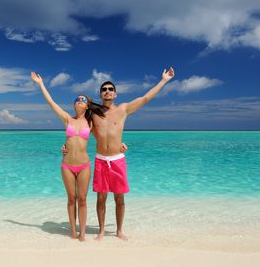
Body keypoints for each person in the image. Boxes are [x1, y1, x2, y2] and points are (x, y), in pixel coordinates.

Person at [64, 67, 175, 240]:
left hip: (117, 159)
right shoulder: (93, 115)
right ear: (100, 95)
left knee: (119, 198)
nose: (107, 91)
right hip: (101, 159)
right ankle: (101, 231)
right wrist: (66, 147)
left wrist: (164, 80)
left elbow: (145, 98)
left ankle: (119, 230)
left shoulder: (123, 109)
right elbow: (77, 127)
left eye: (110, 89)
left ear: (115, 94)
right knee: (101, 198)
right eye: (104, 90)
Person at [30, 71, 127, 241]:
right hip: (67, 164)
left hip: (84, 165)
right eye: (77, 99)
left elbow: (107, 134)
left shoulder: (91, 122)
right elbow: (52, 103)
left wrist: (119, 145)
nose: (80, 101)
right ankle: (73, 234)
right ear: (74, 104)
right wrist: (41, 84)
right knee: (71, 199)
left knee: (82, 199)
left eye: (83, 99)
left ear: (88, 104)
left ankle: (83, 234)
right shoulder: (67, 119)